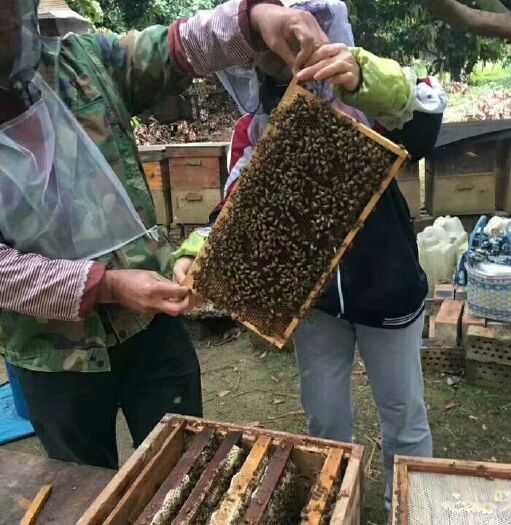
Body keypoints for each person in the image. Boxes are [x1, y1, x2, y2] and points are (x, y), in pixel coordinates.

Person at [0, 0, 330, 469]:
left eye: (11, 13)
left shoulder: (81, 61)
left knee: (182, 470)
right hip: (54, 355)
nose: (9, 26)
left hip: (152, 324)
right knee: (86, 491)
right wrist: (106, 285)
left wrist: (256, 18)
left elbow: (179, 46)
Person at [172, 0, 447, 509]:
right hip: (314, 301)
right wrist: (198, 252)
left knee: (403, 413)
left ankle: (407, 510)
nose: (282, 53)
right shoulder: (251, 131)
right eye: (268, 44)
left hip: (387, 288)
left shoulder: (367, 99)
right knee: (324, 421)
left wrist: (361, 76)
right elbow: (237, 205)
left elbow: (424, 123)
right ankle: (337, 509)